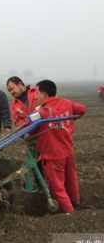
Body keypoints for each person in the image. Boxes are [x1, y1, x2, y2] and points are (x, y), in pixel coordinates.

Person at [34, 80, 86, 213]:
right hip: (68, 150)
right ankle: (75, 202)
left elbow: (29, 129)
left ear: (44, 94)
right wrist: (70, 118)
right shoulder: (66, 103)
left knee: (57, 187)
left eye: (37, 93)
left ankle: (70, 214)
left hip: (52, 155)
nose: (35, 97)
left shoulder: (43, 113)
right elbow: (82, 109)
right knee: (70, 180)